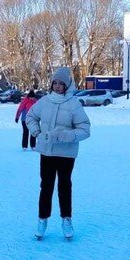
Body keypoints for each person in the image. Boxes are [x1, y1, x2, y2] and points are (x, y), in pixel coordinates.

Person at [25, 67, 91, 240]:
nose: (57, 86)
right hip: (46, 151)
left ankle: (66, 219)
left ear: (67, 85)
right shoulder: (45, 101)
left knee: (64, 186)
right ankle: (42, 219)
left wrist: (67, 135)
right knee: (46, 186)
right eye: (54, 82)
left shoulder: (73, 104)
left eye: (61, 83)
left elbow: (85, 129)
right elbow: (30, 117)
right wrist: (36, 133)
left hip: (66, 153)